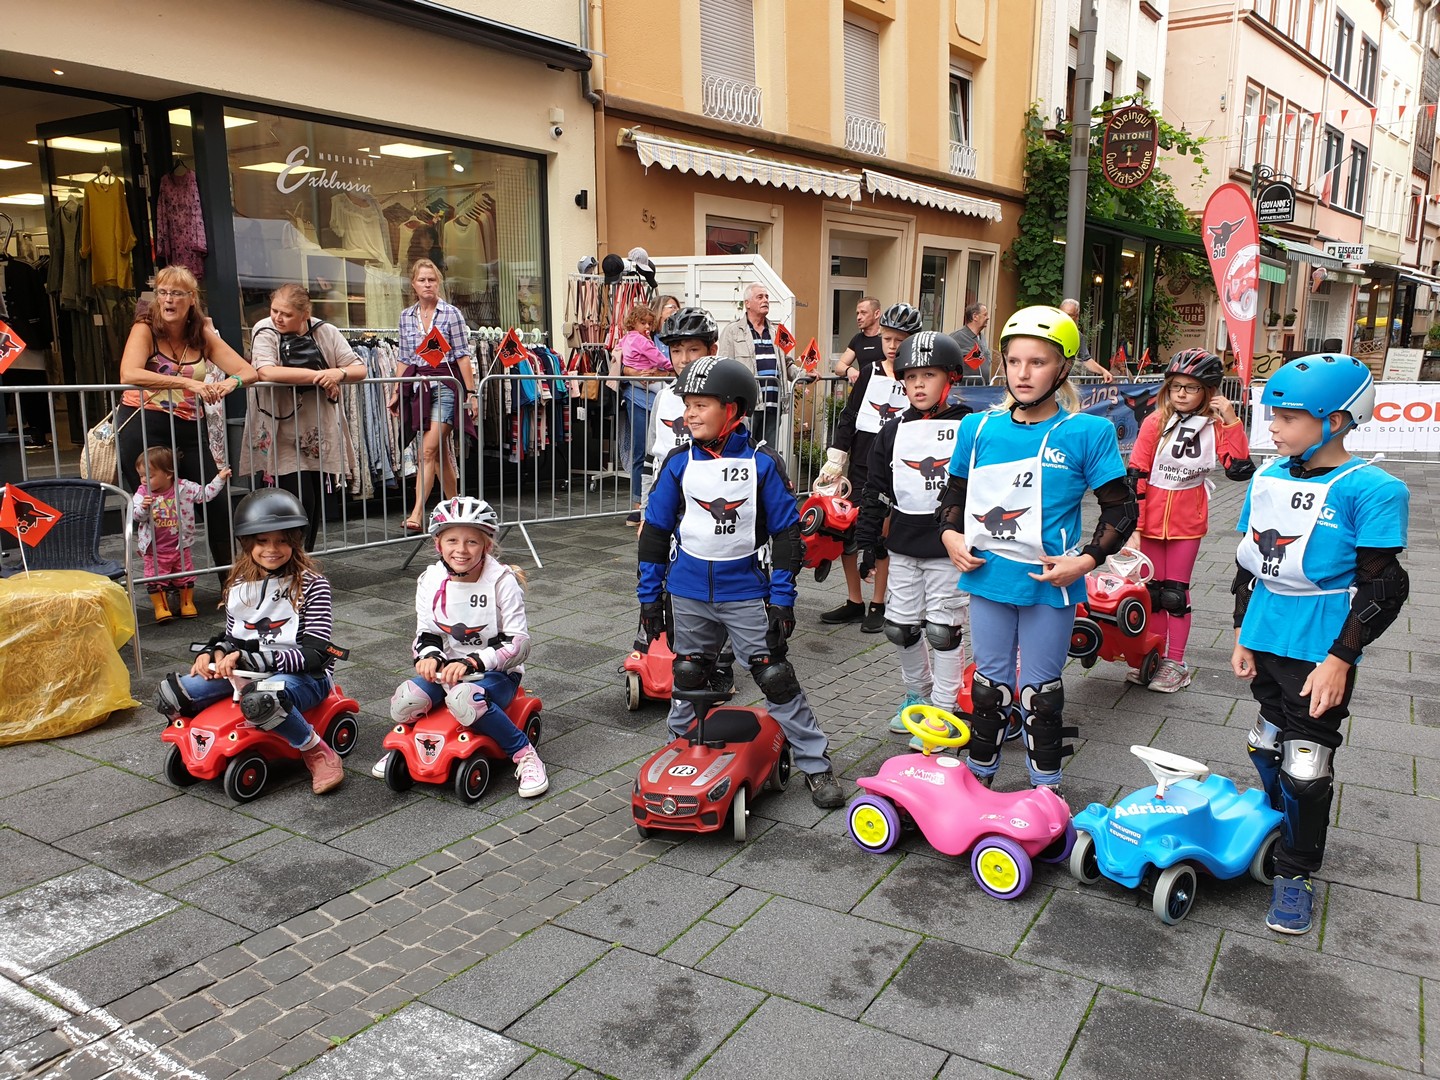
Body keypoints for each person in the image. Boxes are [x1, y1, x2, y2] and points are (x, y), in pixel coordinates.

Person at [1231, 354, 1409, 935]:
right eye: (1273, 415)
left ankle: (1296, 871)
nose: (1273, 426)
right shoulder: (1267, 477)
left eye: (1287, 417)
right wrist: (1242, 633)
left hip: (1322, 643)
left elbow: (1385, 584)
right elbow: (1248, 563)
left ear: (1333, 421)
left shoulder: (1373, 488)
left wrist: (1341, 659)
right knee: (1265, 742)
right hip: (1266, 631)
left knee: (1306, 764)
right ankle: (1280, 824)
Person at [936, 306, 1136, 793]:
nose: (1023, 373)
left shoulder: (1087, 432)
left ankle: (1046, 786)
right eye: (1014, 361)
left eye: (1038, 362)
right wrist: (950, 536)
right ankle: (978, 778)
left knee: (1041, 695)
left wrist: (1084, 562)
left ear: (1062, 368)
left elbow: (1121, 510)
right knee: (989, 687)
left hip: (1050, 583)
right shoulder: (977, 428)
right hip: (988, 575)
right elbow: (953, 497)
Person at [638, 356, 846, 809]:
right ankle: (678, 750)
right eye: (687, 405)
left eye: (701, 405)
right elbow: (654, 533)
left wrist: (782, 600)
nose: (690, 414)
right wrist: (649, 597)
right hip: (688, 591)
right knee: (688, 673)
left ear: (732, 409)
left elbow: (787, 536)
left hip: (745, 593)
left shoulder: (762, 463)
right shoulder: (678, 462)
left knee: (774, 675)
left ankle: (815, 763)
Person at [153, 488, 346, 795]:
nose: (272, 549)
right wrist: (214, 652)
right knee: (171, 694)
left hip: (304, 677)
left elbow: (316, 652)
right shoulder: (240, 585)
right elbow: (234, 637)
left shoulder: (313, 585)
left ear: (295, 541)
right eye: (262, 541)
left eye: (282, 540)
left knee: (261, 697)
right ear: (247, 543)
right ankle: (198, 742)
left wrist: (255, 660)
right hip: (247, 672)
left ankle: (316, 751)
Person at [374, 496, 549, 797]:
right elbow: (427, 633)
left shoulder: (502, 581)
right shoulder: (430, 580)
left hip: (496, 672)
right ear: (438, 544)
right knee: (404, 700)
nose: (461, 549)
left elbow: (518, 644)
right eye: (452, 540)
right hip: (447, 670)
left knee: (465, 698)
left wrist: (471, 663)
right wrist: (429, 657)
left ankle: (525, 754)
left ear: (486, 546)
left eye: (472, 541)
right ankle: (409, 747)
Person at [853, 332, 973, 739]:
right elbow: (876, 491)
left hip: (948, 547)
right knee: (900, 628)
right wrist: (868, 543)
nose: (918, 385)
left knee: (943, 630)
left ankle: (943, 709)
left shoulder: (969, 426)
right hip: (904, 544)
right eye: (910, 377)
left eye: (929, 375)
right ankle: (917, 696)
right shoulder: (892, 431)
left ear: (950, 377)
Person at [117, 266, 259, 576]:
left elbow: (248, 371)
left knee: (217, 502)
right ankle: (164, 583)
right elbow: (129, 373)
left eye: (176, 293)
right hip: (144, 424)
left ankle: (230, 582)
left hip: (189, 428)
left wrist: (229, 383)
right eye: (163, 293)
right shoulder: (145, 327)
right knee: (156, 509)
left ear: (191, 298)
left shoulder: (200, 332)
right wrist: (187, 383)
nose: (168, 299)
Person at [1127, 349, 1254, 692]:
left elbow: (1240, 469)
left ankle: (1176, 663)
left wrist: (1231, 421)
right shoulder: (1155, 422)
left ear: (1207, 391)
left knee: (1175, 594)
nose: (1181, 394)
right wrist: (1135, 526)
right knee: (1153, 594)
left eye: (1191, 388)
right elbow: (1137, 474)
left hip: (1187, 523)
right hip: (1151, 521)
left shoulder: (1215, 426)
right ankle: (1152, 655)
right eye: (1176, 386)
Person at [815, 302, 922, 633]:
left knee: (880, 537)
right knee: (845, 532)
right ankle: (854, 600)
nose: (892, 346)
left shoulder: (916, 378)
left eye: (899, 341)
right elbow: (849, 415)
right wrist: (836, 457)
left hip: (896, 469)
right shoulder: (869, 372)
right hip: (862, 463)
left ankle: (879, 603)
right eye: (887, 339)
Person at [239, 284, 367, 551]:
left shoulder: (325, 331)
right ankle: (291, 556)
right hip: (279, 425)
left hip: (315, 426)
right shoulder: (264, 329)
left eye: (286, 314)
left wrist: (338, 374)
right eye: (275, 310)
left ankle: (303, 557)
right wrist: (321, 376)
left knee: (313, 498)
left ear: (305, 313)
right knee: (295, 496)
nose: (278, 318)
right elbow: (266, 371)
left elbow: (359, 368)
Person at [390, 259, 477, 533]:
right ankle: (457, 508)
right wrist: (396, 391)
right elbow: (404, 358)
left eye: (432, 280)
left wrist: (471, 393)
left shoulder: (451, 314)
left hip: (447, 386)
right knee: (439, 454)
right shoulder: (406, 316)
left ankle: (417, 513)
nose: (427, 284)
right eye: (422, 280)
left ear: (438, 283)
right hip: (420, 389)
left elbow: (462, 355)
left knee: (427, 450)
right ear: (413, 285)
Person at [132, 447, 232, 622]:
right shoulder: (142, 493)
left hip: (180, 545)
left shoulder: (184, 487)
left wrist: (220, 478)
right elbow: (137, 517)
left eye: (149, 475)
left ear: (168, 474)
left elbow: (205, 494)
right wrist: (143, 508)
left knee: (185, 575)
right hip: (154, 549)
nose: (144, 480)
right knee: (155, 578)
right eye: (141, 475)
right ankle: (161, 607)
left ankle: (187, 603)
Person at [717, 283, 808, 448]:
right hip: (747, 404)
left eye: (767, 297)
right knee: (744, 449)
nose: (765, 300)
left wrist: (805, 374)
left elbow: (785, 364)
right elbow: (724, 367)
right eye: (760, 297)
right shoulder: (733, 331)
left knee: (767, 453)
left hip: (773, 403)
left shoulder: (777, 331)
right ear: (747, 303)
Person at [617, 304, 673, 526]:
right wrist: (665, 369)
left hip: (648, 390)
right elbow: (625, 365)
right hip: (641, 397)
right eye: (645, 323)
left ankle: (654, 503)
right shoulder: (643, 340)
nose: (648, 327)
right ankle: (639, 504)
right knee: (642, 451)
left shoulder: (628, 339)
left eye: (650, 323)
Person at [1058, 299, 1115, 383]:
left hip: (1067, 383)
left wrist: (1103, 371)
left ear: (1077, 316)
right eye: (1063, 314)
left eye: (1070, 315)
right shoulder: (1049, 330)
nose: (1065, 317)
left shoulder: (1078, 336)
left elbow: (1086, 360)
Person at [833, 297, 883, 385]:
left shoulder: (887, 338)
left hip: (885, 389)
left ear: (877, 314)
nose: (859, 317)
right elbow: (838, 367)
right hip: (864, 390)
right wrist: (849, 370)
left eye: (863, 313)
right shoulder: (857, 339)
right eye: (857, 313)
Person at [949, 302, 993, 384]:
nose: (988, 318)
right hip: (964, 389)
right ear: (975, 317)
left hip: (983, 388)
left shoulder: (982, 337)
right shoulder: (956, 337)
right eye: (985, 315)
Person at [652, 295, 682, 362]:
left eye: (678, 308)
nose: (677, 310)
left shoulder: (679, 336)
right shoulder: (647, 337)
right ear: (659, 310)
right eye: (673, 307)